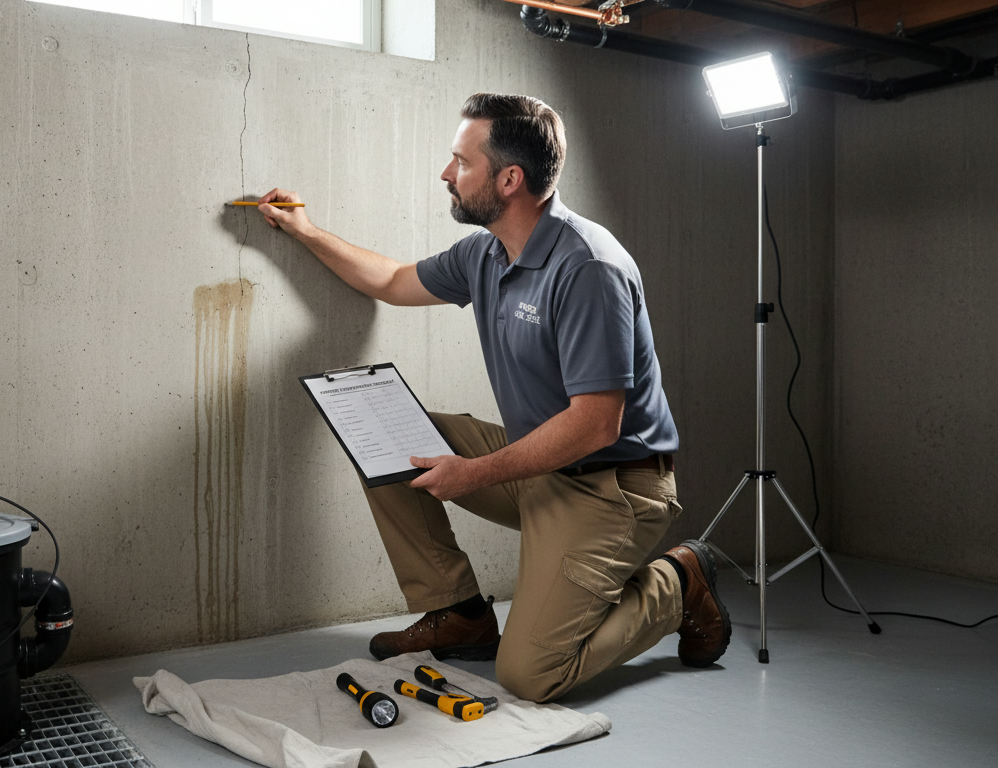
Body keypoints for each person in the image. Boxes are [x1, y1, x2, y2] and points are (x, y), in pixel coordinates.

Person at [254, 93, 729, 703]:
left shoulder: (588, 268)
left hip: (613, 487)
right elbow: (392, 281)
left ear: (509, 179)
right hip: (539, 465)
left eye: (461, 162)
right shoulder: (486, 252)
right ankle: (458, 612)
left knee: (530, 675)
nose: (447, 174)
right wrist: (303, 229)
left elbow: (596, 425)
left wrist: (473, 472)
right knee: (385, 428)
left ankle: (678, 582)